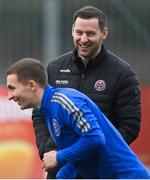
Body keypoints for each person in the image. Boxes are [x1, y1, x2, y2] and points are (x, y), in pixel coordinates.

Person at [32, 5, 141, 178]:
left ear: (104, 33)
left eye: (90, 33)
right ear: (72, 31)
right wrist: (48, 150)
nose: (83, 39)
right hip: (60, 166)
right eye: (79, 32)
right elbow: (39, 114)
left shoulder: (123, 73)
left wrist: (89, 153)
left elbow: (130, 126)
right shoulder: (55, 68)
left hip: (98, 169)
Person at [6, 58, 149, 179]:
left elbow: (95, 138)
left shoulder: (64, 101)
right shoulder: (49, 109)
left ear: (31, 85)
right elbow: (78, 157)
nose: (10, 96)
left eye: (12, 88)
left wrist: (59, 156)